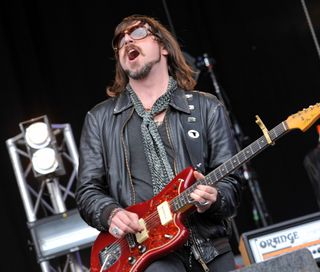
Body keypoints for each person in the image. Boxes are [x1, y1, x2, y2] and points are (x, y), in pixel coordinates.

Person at [76, 14, 242, 272]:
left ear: (164, 46)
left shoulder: (206, 108)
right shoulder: (100, 119)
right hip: (146, 255)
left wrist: (214, 198)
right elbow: (87, 190)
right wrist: (111, 213)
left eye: (138, 33)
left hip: (209, 247)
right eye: (120, 41)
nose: (127, 40)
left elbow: (231, 182)